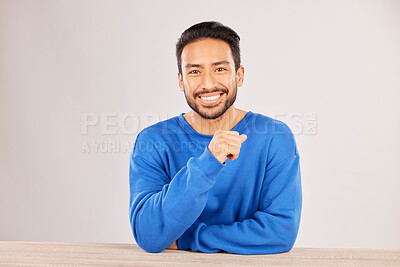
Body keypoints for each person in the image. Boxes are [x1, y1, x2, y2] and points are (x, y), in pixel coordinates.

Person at [129, 21, 302, 255]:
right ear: (181, 81)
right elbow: (148, 234)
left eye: (220, 69)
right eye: (194, 71)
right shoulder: (152, 141)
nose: (208, 84)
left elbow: (280, 232)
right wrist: (209, 161)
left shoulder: (275, 138)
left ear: (239, 75)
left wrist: (191, 239)